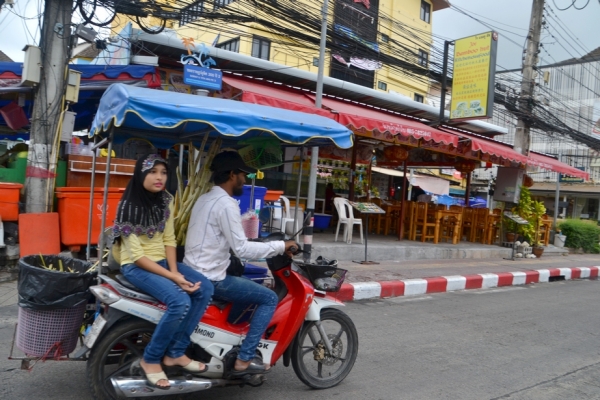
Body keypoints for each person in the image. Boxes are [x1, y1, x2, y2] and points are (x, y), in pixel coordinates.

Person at [184, 150, 297, 375]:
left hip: (192, 270)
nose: (244, 181)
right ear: (232, 174)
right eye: (243, 175)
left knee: (244, 282)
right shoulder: (226, 204)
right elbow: (243, 249)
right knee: (267, 297)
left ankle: (230, 340)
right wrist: (281, 246)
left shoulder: (204, 198)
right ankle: (244, 359)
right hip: (211, 277)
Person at [113, 153, 214, 390]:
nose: (159, 177)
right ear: (141, 174)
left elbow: (169, 239)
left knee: (205, 289)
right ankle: (151, 358)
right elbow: (136, 257)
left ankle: (176, 352)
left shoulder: (165, 200)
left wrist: (174, 271)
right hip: (136, 266)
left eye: (164, 172)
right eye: (152, 172)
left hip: (161, 261)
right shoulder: (127, 206)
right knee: (180, 302)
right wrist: (174, 278)